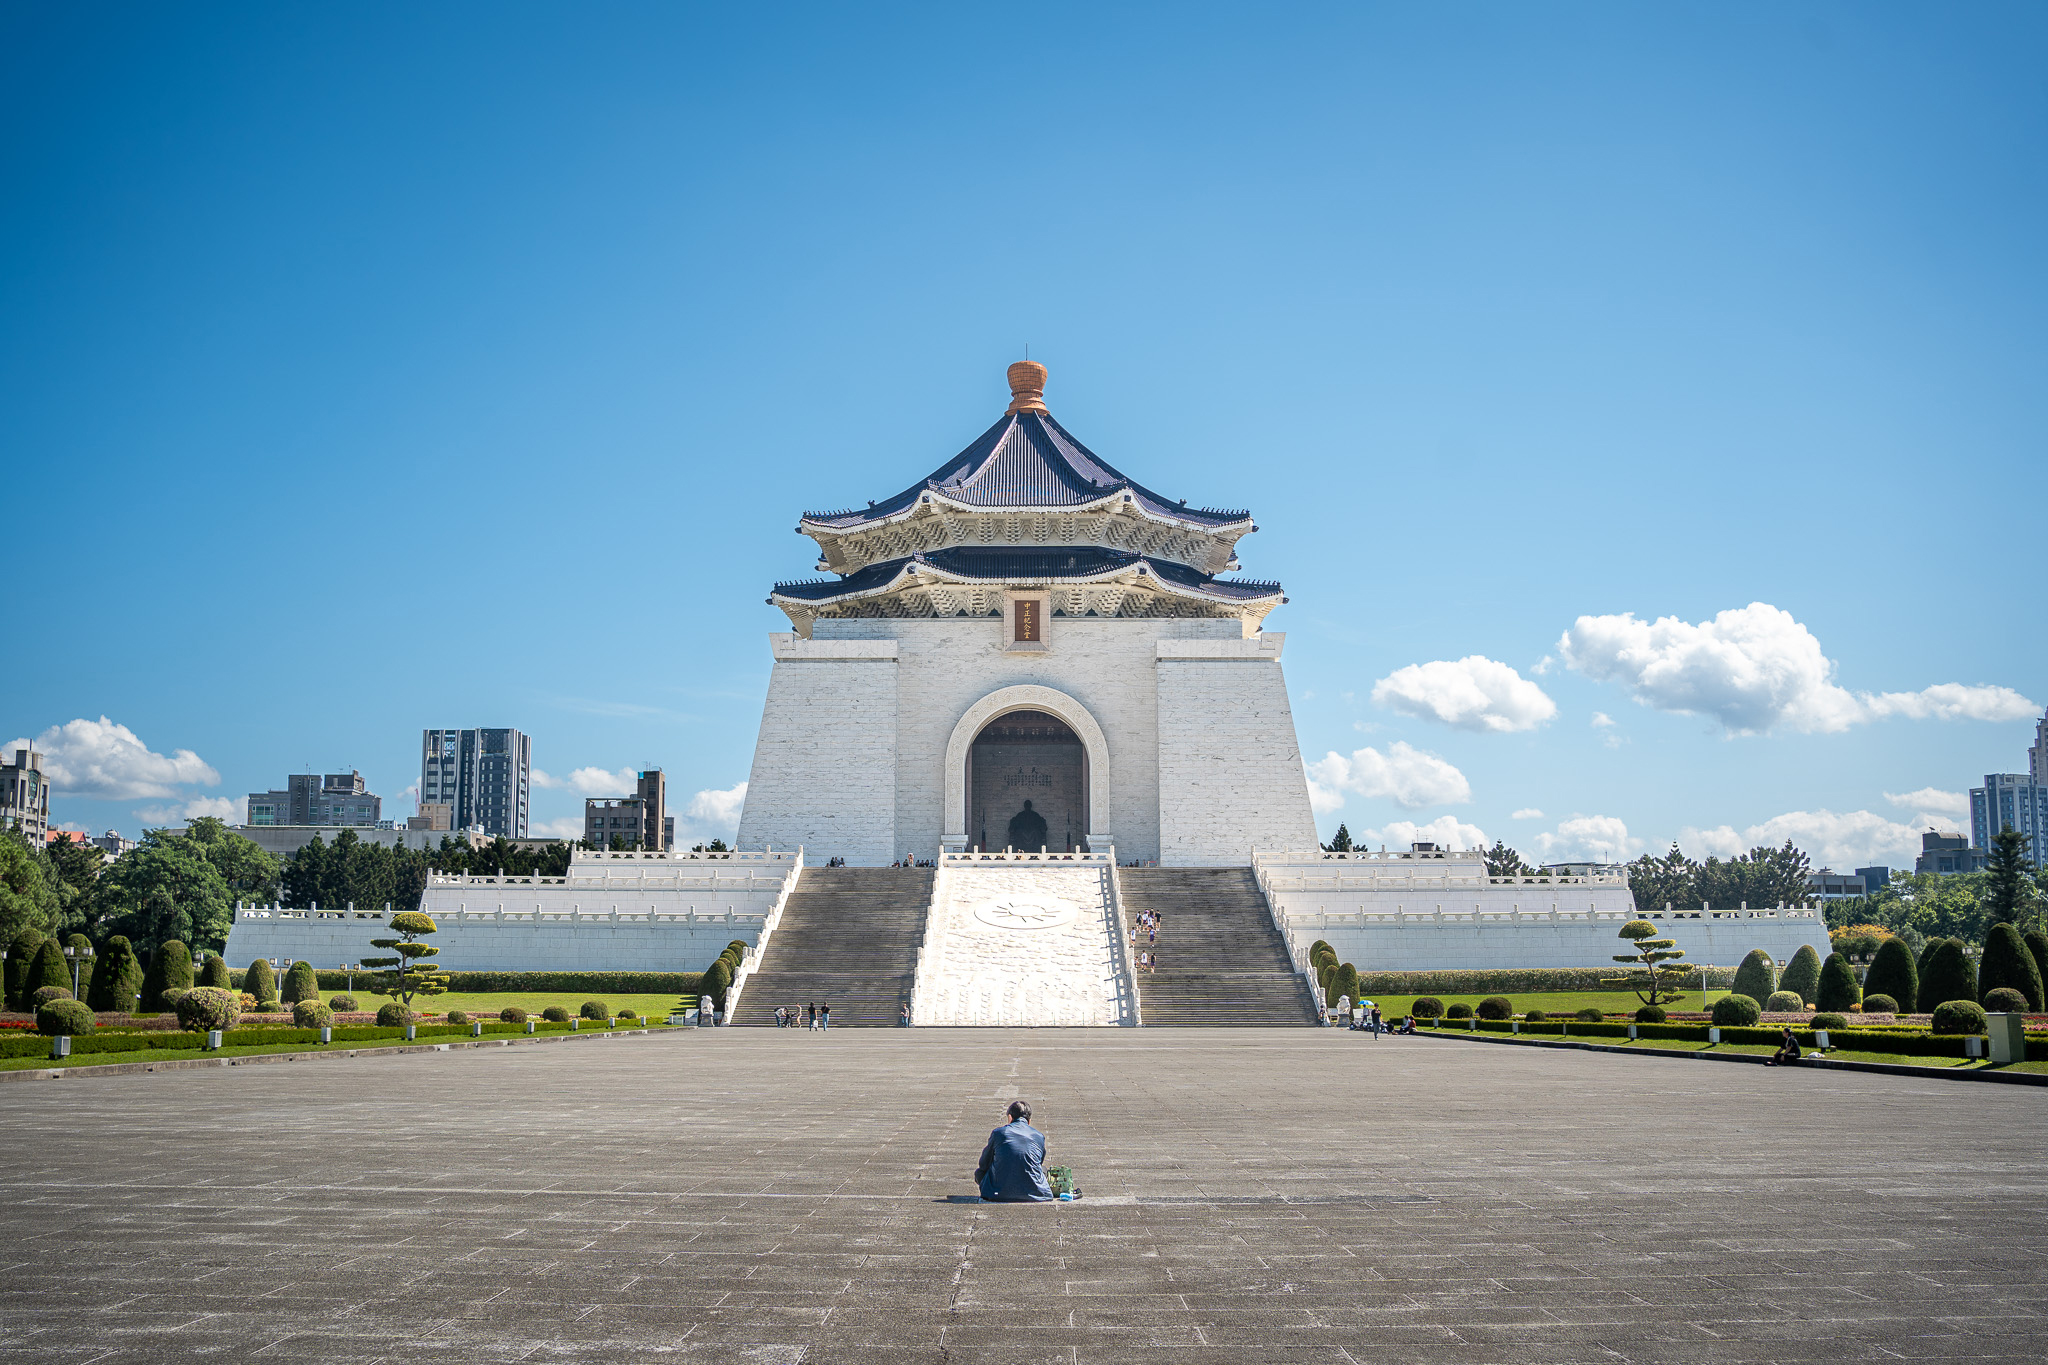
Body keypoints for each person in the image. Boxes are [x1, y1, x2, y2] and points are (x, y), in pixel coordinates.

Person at [975, 1099, 1054, 1202]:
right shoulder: (1039, 1136)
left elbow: (984, 1164)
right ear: (1029, 1121)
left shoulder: (998, 1133)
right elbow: (1038, 1162)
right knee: (1043, 1170)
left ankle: (998, 1190)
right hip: (1036, 1192)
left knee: (980, 1173)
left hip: (997, 1194)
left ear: (1010, 1117)